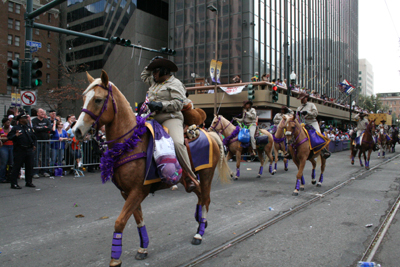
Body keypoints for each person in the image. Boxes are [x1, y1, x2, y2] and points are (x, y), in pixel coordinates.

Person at [141, 56, 199, 192]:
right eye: (153, 71)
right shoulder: (154, 82)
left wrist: (161, 105)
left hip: (170, 117)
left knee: (177, 143)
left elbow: (179, 104)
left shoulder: (175, 84)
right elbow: (144, 75)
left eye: (155, 71)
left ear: (163, 71)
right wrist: (151, 63)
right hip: (152, 118)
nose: (153, 74)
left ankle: (190, 176)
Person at [295, 91, 330, 158]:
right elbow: (297, 116)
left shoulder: (311, 105)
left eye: (302, 98)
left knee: (318, 133)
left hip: (312, 122)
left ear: (306, 98)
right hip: (303, 123)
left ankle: (323, 150)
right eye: (301, 99)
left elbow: (315, 113)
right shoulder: (299, 108)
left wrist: (307, 113)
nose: (301, 100)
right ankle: (290, 151)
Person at [7, 112, 37, 189]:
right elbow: (9, 137)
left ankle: (29, 182)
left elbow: (33, 137)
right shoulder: (16, 128)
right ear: (20, 119)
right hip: (20, 150)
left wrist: (34, 145)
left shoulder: (28, 127)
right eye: (24, 118)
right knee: (17, 167)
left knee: (29, 166)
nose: (26, 119)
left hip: (28, 149)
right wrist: (15, 136)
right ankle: (14, 183)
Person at [32, 108, 52, 177]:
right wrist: (44, 128)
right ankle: (35, 172)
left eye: (43, 112)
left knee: (45, 156)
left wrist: (41, 128)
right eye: (41, 112)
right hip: (37, 141)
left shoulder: (46, 120)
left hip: (45, 141)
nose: (42, 113)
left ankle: (45, 171)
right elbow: (35, 128)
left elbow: (49, 128)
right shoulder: (34, 120)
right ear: (37, 113)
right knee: (36, 157)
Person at [0, 118, 13, 183]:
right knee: (4, 162)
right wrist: (8, 138)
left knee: (11, 162)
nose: (8, 124)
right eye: (7, 123)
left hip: (11, 146)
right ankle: (2, 177)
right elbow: (2, 138)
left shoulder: (12, 129)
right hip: (4, 147)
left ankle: (10, 177)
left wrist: (6, 138)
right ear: (4, 123)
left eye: (9, 123)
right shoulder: (1, 130)